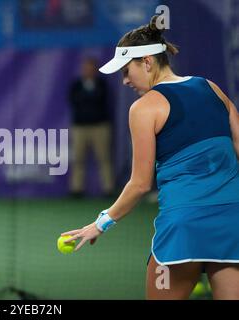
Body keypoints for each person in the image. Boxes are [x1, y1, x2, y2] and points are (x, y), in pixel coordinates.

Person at [61, 16, 239, 300]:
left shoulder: (143, 108)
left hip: (183, 227)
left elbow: (140, 184)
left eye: (127, 70)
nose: (124, 80)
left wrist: (100, 223)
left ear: (146, 61)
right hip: (232, 222)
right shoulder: (212, 88)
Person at [68, 58, 114, 198]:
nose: (88, 70)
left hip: (100, 127)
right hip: (80, 128)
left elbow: (100, 100)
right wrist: (89, 98)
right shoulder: (76, 85)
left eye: (91, 68)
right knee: (78, 159)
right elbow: (74, 101)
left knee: (104, 158)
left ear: (95, 70)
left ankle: (108, 189)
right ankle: (76, 189)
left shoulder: (101, 84)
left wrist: (87, 98)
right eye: (86, 67)